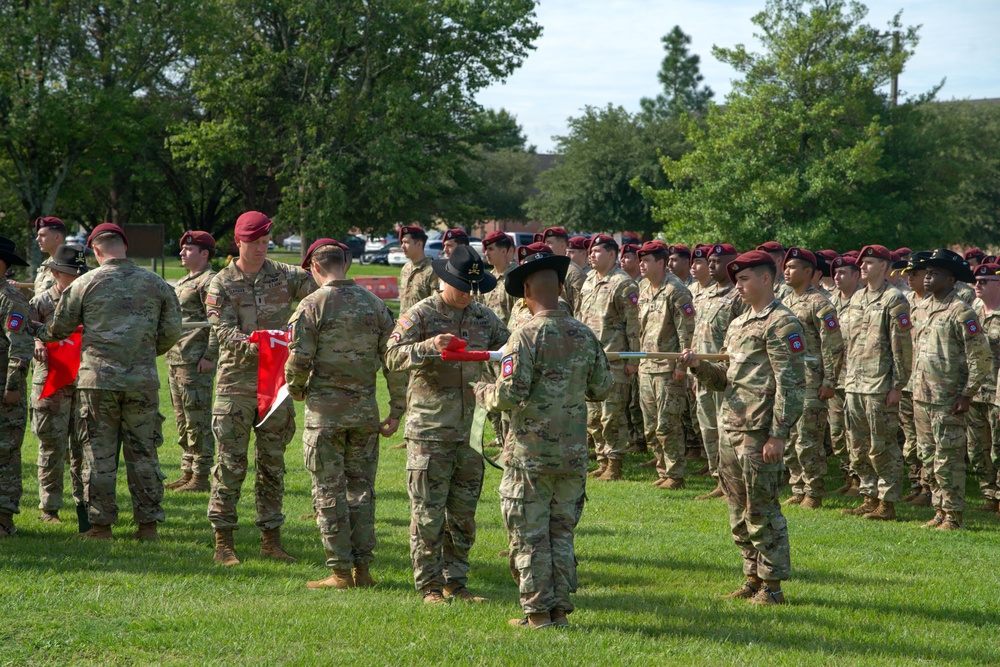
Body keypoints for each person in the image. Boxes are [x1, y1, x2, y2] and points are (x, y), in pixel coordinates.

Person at [474, 243, 612, 629]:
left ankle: (537, 614)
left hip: (530, 456)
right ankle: (559, 611)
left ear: (529, 291)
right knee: (561, 534)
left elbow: (509, 393)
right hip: (571, 456)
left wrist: (483, 393)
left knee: (530, 536)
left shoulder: (524, 337)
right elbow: (602, 388)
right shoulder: (584, 334)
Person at [38, 224, 181, 540]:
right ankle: (148, 527)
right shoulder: (157, 284)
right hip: (142, 382)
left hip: (97, 382)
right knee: (144, 454)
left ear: (96, 250)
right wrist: (141, 352)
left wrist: (38, 332)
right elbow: (171, 332)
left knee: (98, 456)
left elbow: (59, 327)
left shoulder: (86, 283)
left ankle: (101, 527)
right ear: (124, 247)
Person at [385, 245, 509, 604]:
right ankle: (429, 586)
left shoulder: (483, 317)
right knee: (427, 513)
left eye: (472, 288)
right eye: (460, 287)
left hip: (470, 429)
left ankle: (457, 580)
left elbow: (513, 348)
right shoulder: (419, 314)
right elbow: (391, 356)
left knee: (463, 514)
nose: (467, 295)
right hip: (429, 429)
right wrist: (425, 347)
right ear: (443, 280)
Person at [680, 250, 805, 605]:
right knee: (738, 509)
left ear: (766, 278)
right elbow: (725, 381)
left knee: (762, 509)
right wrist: (698, 366)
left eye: (745, 278)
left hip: (758, 431)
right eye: (736, 279)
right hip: (731, 427)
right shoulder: (738, 324)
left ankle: (773, 587)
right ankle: (751, 578)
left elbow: (792, 384)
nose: (738, 284)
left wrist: (778, 434)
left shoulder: (782, 323)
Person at [285, 239, 405, 590]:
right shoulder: (375, 304)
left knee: (328, 490)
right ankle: (363, 570)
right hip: (365, 413)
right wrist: (396, 409)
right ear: (345, 265)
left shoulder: (312, 305)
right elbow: (394, 362)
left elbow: (298, 359)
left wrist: (296, 390)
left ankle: (339, 571)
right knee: (361, 491)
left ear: (315, 268)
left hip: (325, 415)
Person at [205, 211, 316, 566]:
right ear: (238, 242)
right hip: (235, 385)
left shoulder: (285, 276)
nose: (260, 249)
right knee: (229, 463)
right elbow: (223, 331)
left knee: (272, 464)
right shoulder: (221, 283)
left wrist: (299, 335)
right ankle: (224, 541)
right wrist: (261, 344)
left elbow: (323, 293)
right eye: (253, 243)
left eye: (266, 242)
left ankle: (271, 539)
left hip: (276, 385)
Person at [912, 249, 990, 530]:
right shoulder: (921, 307)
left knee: (949, 458)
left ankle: (954, 515)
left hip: (949, 398)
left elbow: (980, 356)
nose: (928, 276)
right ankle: (938, 510)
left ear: (951, 279)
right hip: (922, 396)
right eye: (927, 272)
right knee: (928, 456)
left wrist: (967, 393)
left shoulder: (961, 311)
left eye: (936, 272)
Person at [841, 245, 912, 522]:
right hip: (854, 383)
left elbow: (902, 346)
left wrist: (898, 385)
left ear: (884, 267)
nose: (863, 267)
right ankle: (868, 496)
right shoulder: (857, 298)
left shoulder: (895, 300)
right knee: (857, 445)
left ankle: (887, 502)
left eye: (869, 262)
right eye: (862, 263)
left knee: (882, 445)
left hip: (880, 385)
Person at [29, 245, 89, 527]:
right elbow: (22, 333)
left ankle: (85, 507)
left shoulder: (89, 300)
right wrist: (38, 343)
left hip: (84, 382)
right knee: (52, 446)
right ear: (55, 273)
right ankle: (50, 508)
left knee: (82, 447)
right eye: (70, 273)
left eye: (80, 272)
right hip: (50, 382)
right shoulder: (40, 303)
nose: (77, 277)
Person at [780, 248, 844, 509]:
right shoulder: (784, 301)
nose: (786, 271)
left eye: (793, 267)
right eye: (785, 266)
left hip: (811, 381)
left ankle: (813, 491)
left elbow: (833, 346)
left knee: (808, 439)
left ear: (808, 272)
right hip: (788, 381)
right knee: (789, 439)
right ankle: (797, 487)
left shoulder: (820, 303)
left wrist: (829, 381)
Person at [578, 234, 640, 481]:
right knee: (593, 416)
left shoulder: (623, 284)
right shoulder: (589, 280)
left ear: (612, 254)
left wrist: (633, 360)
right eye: (590, 251)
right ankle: (602, 460)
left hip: (614, 359)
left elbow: (633, 325)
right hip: (590, 360)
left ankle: (615, 463)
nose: (591, 255)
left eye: (597, 251)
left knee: (611, 415)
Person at [636, 240, 695, 489]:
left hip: (668, 369)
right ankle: (662, 470)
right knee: (650, 427)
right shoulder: (644, 288)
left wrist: (682, 366)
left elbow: (687, 329)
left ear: (660, 263)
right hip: (647, 366)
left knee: (667, 424)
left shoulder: (676, 290)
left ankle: (675, 474)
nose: (641, 264)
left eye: (647, 260)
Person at [164, 231, 219, 494]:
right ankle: (187, 470)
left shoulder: (210, 281)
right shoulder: (187, 280)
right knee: (182, 419)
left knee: (197, 418)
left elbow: (219, 322)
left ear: (204, 253)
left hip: (196, 360)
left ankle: (201, 475)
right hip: (177, 357)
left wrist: (210, 355)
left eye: (188, 249)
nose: (182, 253)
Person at [692, 243, 745, 500]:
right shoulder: (703, 294)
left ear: (732, 263)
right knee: (708, 428)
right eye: (709, 261)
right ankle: (719, 480)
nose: (711, 265)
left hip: (727, 375)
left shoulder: (739, 295)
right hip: (703, 373)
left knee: (728, 430)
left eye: (717, 261)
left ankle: (734, 482)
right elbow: (696, 333)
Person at [0, 236, 34, 538]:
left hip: (3, 392)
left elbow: (21, 347)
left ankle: (4, 519)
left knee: (5, 453)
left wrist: (12, 386)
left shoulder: (10, 299)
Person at [897, 252, 933, 505]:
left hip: (930, 384)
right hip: (907, 381)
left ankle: (930, 489)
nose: (910, 278)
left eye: (916, 274)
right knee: (911, 438)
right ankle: (916, 484)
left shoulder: (938, 303)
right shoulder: (905, 302)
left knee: (928, 440)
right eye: (908, 274)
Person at [968, 263, 1000, 513]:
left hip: (997, 393)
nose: (977, 285)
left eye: (984, 281)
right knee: (978, 448)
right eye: (976, 280)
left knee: (998, 448)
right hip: (975, 390)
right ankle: (990, 496)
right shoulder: (974, 310)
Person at [829, 255, 862, 496]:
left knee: (857, 433)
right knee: (837, 433)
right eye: (835, 273)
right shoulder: (830, 302)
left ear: (856, 275)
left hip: (859, 377)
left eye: (843, 273)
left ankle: (861, 481)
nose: (837, 277)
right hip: (835, 376)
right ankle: (847, 477)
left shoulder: (863, 301)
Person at [542, 227, 585, 314]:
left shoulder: (574, 273)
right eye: (545, 243)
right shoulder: (546, 269)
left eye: (549, 243)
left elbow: (579, 309)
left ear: (562, 245)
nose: (545, 246)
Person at [398, 225, 438, 312]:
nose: (402, 246)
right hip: (404, 324)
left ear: (419, 244)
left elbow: (437, 304)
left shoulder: (432, 270)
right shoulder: (406, 268)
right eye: (402, 242)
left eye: (406, 242)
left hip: (423, 324)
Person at [480, 231, 518, 324]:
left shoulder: (516, 276)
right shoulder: (487, 278)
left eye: (490, 249)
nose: (486, 253)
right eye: (486, 249)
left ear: (503, 251)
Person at [33, 217, 69, 294]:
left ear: (57, 237)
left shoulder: (70, 265)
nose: (37, 239)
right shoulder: (45, 264)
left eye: (42, 235)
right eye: (37, 235)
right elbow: (40, 293)